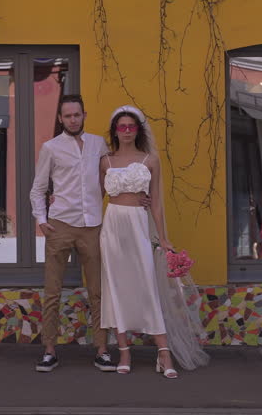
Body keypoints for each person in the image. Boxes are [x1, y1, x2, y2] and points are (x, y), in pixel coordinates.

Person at [99, 105, 210, 379]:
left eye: (130, 126)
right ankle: (124, 350)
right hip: (112, 227)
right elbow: (92, 197)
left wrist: (163, 238)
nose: (126, 131)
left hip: (138, 225)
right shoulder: (105, 161)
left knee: (148, 287)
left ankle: (164, 352)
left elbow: (157, 204)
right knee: (116, 289)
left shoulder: (150, 160)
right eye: (121, 127)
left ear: (138, 130)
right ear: (115, 131)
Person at [29, 94, 117, 373]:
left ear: (84, 114)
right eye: (67, 116)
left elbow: (107, 181)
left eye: (77, 114)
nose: (73, 119)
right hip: (60, 225)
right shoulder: (51, 148)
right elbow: (38, 188)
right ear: (60, 118)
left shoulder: (98, 144)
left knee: (98, 291)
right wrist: (42, 220)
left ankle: (102, 350)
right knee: (53, 291)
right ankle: (49, 350)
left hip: (92, 226)